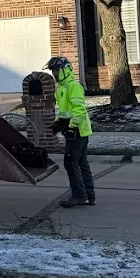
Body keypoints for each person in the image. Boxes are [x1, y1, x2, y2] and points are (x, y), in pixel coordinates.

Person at [46, 56, 94, 207]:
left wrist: (72, 127)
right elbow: (65, 112)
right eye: (53, 71)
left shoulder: (73, 86)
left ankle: (79, 196)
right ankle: (89, 196)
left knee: (71, 163)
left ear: (65, 70)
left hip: (77, 131)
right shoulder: (62, 88)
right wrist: (58, 125)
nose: (54, 74)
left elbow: (79, 110)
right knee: (81, 163)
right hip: (75, 131)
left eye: (57, 70)